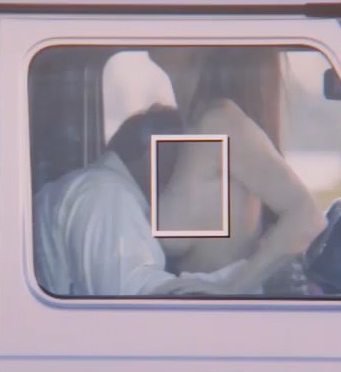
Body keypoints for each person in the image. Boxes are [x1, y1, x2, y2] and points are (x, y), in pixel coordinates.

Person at [149, 46, 323, 293]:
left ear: (203, 50)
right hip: (193, 309)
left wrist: (232, 288)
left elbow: (307, 215)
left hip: (221, 312)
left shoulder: (220, 121)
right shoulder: (192, 125)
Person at [33, 105, 243, 297]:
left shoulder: (103, 189)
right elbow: (136, 295)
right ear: (152, 148)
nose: (186, 163)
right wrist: (242, 276)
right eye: (180, 150)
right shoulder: (106, 192)